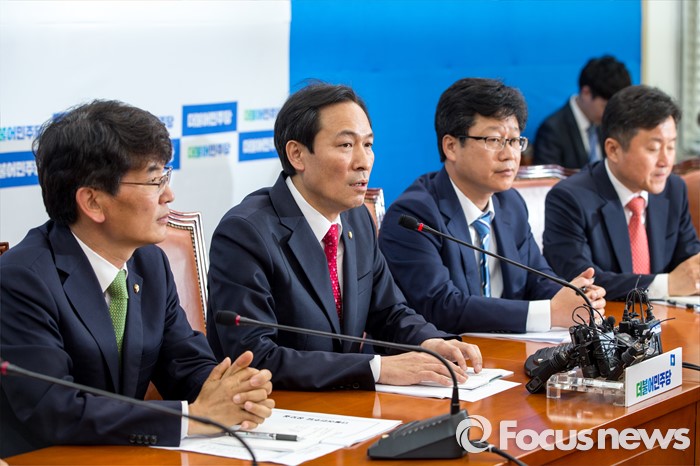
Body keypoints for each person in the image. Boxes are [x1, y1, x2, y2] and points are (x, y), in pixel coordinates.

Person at [0, 101, 274, 458]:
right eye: (153, 180)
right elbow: (55, 409)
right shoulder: (22, 280)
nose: (169, 195)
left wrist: (231, 392)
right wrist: (192, 418)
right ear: (93, 202)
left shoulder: (150, 262)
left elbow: (185, 364)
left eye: (165, 177)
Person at [206, 82, 483, 391]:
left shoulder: (357, 218)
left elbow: (388, 312)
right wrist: (375, 368)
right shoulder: (246, 233)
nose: (364, 161)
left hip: (347, 403)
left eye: (368, 144)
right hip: (279, 406)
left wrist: (429, 341)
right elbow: (255, 357)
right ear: (297, 154)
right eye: (346, 145)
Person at [378, 78, 606, 335]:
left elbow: (537, 279)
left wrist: (575, 298)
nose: (509, 155)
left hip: (509, 348)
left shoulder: (510, 203)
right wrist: (551, 312)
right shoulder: (414, 216)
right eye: (495, 140)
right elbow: (441, 307)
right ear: (451, 146)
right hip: (447, 353)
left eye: (515, 140)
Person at [544, 85, 700, 301]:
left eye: (671, 147)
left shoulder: (673, 189)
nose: (666, 161)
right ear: (613, 149)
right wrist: (666, 285)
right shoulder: (569, 199)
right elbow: (582, 282)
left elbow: (690, 263)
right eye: (654, 149)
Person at [533, 55, 631, 169]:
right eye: (605, 107)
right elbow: (548, 178)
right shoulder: (552, 130)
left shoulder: (607, 124)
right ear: (586, 93)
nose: (611, 114)